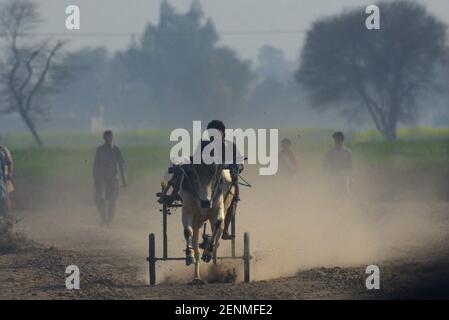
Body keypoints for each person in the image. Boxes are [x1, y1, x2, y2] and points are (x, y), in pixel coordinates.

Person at [93, 130, 127, 226]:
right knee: (98, 199)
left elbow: (121, 163)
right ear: (104, 138)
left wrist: (123, 177)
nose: (109, 139)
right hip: (102, 180)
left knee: (112, 202)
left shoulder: (115, 149)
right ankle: (103, 218)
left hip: (113, 179)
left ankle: (109, 220)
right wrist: (95, 178)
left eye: (110, 137)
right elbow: (95, 165)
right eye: (107, 137)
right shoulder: (100, 150)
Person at [0, 145, 14, 212]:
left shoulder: (4, 150)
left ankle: (8, 213)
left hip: (5, 175)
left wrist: (9, 174)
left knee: (7, 196)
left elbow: (10, 162)